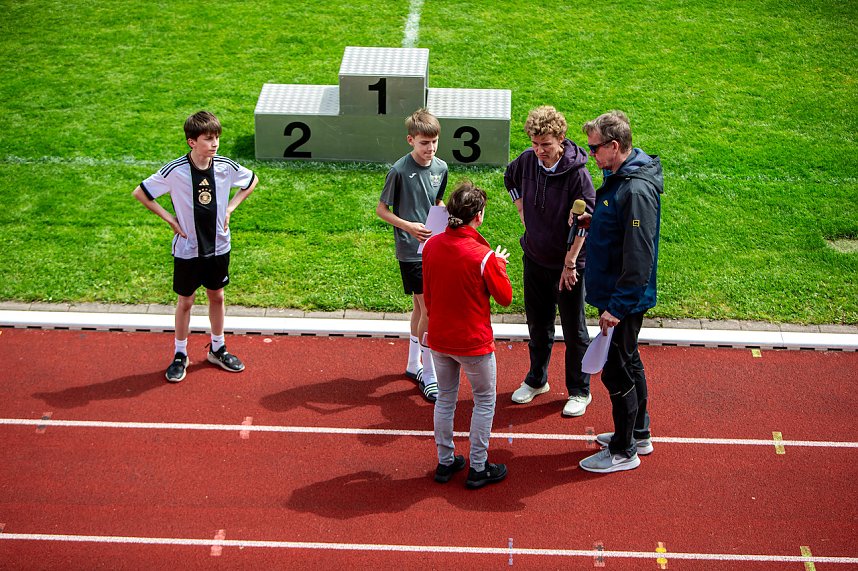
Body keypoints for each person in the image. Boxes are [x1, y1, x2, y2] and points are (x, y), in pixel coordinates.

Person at [132, 110, 258, 383]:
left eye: (217, 139)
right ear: (192, 142)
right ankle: (180, 354)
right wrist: (169, 219)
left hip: (219, 245)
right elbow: (141, 192)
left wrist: (230, 209)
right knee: (186, 301)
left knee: (218, 296)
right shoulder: (175, 171)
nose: (214, 144)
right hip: (188, 249)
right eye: (208, 139)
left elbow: (252, 180)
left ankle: (217, 347)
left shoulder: (225, 166)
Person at [577, 110, 663, 474]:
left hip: (622, 300)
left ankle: (624, 450)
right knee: (628, 361)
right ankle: (638, 433)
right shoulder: (619, 176)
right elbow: (619, 232)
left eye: (595, 148)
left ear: (615, 146)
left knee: (615, 371)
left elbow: (639, 255)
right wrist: (594, 223)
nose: (590, 154)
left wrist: (617, 307)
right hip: (619, 295)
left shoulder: (636, 189)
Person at [503, 106, 596, 417]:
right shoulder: (527, 162)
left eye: (545, 144)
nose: (538, 150)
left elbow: (586, 221)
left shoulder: (578, 175)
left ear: (562, 140)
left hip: (567, 267)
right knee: (538, 325)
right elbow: (509, 176)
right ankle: (537, 379)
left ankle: (580, 390)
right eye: (534, 143)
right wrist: (521, 210)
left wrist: (570, 263)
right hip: (534, 258)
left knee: (574, 330)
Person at [422, 180, 512, 488]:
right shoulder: (484, 256)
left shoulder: (432, 245)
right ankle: (478, 466)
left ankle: (446, 462)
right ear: (479, 216)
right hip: (473, 343)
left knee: (445, 399)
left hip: (439, 338)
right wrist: (499, 265)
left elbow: (429, 293)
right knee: (484, 400)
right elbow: (505, 297)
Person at [376, 108, 448, 403]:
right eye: (423, 143)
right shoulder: (398, 170)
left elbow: (438, 200)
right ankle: (429, 375)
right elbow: (382, 210)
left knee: (421, 310)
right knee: (428, 310)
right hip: (410, 251)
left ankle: (412, 364)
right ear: (410, 140)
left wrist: (442, 223)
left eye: (434, 143)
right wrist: (409, 226)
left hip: (433, 248)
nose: (430, 149)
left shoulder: (441, 168)